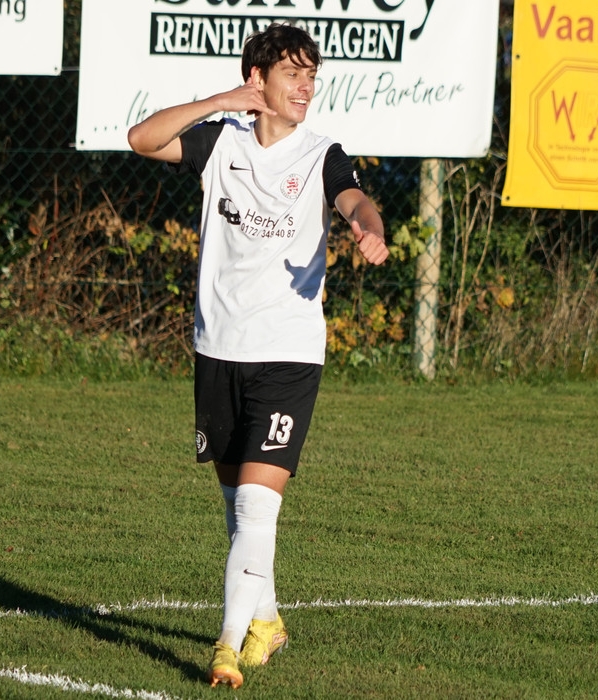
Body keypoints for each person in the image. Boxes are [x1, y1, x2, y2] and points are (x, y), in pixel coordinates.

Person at [127, 22, 388, 689]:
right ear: (259, 79)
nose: (306, 87)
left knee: (255, 506)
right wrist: (222, 100)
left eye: (312, 76)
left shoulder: (322, 153)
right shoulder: (221, 142)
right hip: (219, 347)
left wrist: (367, 227)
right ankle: (266, 618)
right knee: (234, 503)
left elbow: (355, 199)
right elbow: (142, 139)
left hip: (288, 354)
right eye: (293, 74)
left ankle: (227, 645)